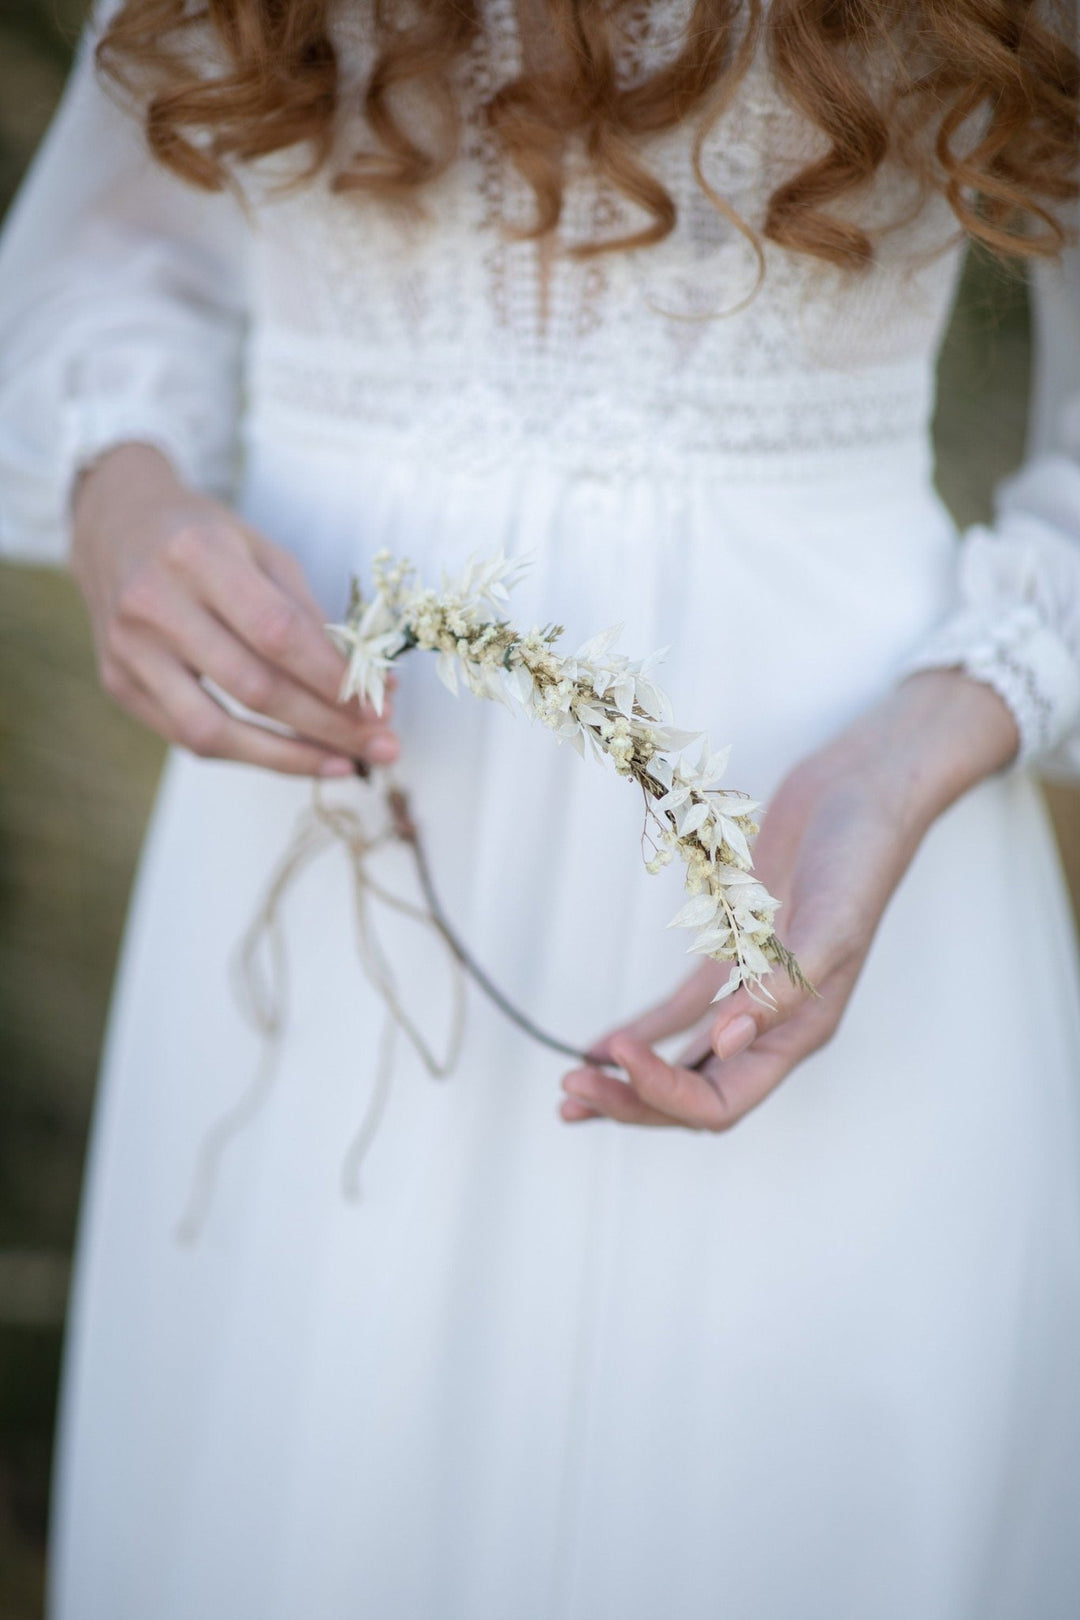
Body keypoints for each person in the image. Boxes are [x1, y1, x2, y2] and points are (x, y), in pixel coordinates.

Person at [2, 0, 1080, 1614]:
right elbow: (113, 242)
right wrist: (124, 486)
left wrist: (940, 727)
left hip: (823, 846)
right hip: (317, 823)